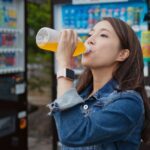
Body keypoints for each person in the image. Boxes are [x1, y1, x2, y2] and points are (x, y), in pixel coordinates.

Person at [47, 17, 150, 150]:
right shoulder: (81, 93)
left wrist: (64, 64)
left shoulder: (129, 102)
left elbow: (73, 134)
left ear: (122, 54)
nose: (89, 40)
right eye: (90, 34)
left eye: (103, 35)